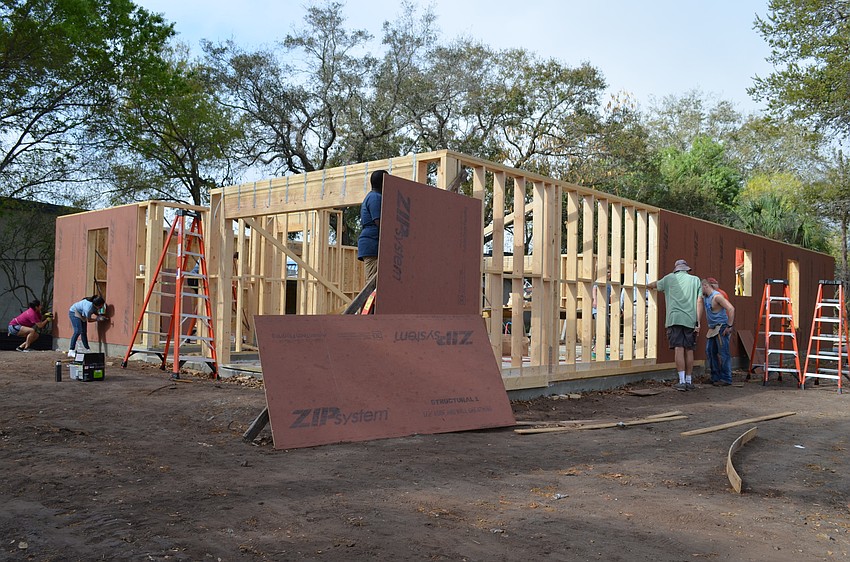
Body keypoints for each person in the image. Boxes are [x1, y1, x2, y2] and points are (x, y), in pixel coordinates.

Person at [649, 259, 703, 391]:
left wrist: (647, 285)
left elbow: (655, 285)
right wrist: (698, 321)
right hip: (690, 319)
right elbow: (699, 301)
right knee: (689, 349)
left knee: (679, 348)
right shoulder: (696, 280)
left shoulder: (669, 279)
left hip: (674, 319)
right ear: (686, 269)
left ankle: (681, 381)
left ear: (676, 269)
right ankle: (689, 381)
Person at [702, 278, 736, 386]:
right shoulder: (705, 297)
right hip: (713, 328)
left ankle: (726, 378)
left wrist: (729, 326)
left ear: (705, 286)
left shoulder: (717, 297)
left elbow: (731, 309)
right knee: (710, 352)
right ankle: (715, 377)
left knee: (723, 353)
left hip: (721, 328)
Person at [357, 169, 388, 280]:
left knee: (377, 283)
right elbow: (380, 222)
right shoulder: (375, 198)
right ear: (383, 182)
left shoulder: (373, 196)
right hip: (373, 244)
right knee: (373, 284)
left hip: (372, 244)